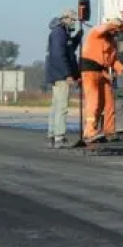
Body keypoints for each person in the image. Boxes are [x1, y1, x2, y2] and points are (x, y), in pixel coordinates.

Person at [79, 17, 123, 143]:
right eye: (118, 30)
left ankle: (109, 131)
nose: (118, 34)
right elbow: (103, 28)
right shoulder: (96, 33)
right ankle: (89, 131)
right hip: (90, 71)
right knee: (93, 101)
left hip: (102, 72)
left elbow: (113, 61)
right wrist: (114, 23)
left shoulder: (112, 43)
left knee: (109, 102)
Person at [45, 9, 81, 148]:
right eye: (73, 20)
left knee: (56, 106)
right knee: (61, 106)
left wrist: (77, 38)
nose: (74, 23)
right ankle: (59, 136)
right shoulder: (59, 33)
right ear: (65, 18)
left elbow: (69, 50)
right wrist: (67, 74)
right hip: (60, 75)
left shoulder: (62, 33)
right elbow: (59, 56)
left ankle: (53, 135)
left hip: (57, 73)